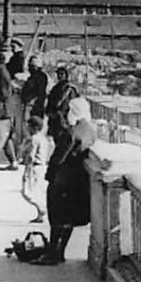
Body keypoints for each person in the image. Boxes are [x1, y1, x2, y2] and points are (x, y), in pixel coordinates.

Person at [38, 109, 96, 264]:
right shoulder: (90, 130)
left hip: (62, 180)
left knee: (56, 217)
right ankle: (61, 251)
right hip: (78, 180)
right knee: (68, 219)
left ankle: (52, 254)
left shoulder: (71, 133)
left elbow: (59, 158)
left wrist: (49, 174)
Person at [19, 115, 51, 223]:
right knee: (38, 191)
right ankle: (40, 215)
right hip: (42, 166)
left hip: (34, 166)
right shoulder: (44, 139)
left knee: (27, 191)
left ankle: (41, 209)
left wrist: (26, 165)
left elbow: (31, 155)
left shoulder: (34, 139)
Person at [46, 65, 81, 136]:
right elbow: (50, 103)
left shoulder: (70, 89)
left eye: (62, 74)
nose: (60, 76)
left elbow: (75, 105)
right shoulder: (55, 88)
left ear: (66, 75)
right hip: (55, 119)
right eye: (58, 74)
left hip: (66, 119)